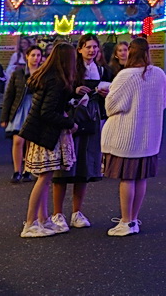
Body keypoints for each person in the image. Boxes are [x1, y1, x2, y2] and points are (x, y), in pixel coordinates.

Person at [101, 35, 166, 236]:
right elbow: (163, 102)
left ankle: (125, 221)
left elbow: (112, 106)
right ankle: (133, 219)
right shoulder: (159, 74)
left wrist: (109, 92)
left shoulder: (126, 75)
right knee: (141, 179)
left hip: (128, 136)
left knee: (127, 179)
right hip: (150, 136)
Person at [19, 43, 78, 237]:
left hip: (38, 133)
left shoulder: (46, 76)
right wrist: (70, 123)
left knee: (44, 177)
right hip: (46, 134)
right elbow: (47, 112)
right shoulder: (57, 81)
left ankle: (42, 220)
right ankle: (30, 223)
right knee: (44, 178)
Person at [52, 33, 109, 228]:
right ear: (79, 49)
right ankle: (57, 213)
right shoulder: (71, 69)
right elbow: (60, 91)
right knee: (64, 166)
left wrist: (103, 93)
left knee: (84, 165)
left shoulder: (101, 69)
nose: (91, 50)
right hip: (71, 117)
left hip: (91, 116)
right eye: (88, 47)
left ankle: (77, 212)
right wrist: (74, 91)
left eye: (94, 47)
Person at [3, 45, 45, 182]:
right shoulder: (18, 73)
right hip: (20, 108)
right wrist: (4, 116)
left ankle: (27, 169)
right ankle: (16, 171)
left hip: (35, 108)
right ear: (27, 56)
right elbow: (9, 95)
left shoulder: (42, 73)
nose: (35, 58)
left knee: (30, 141)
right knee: (18, 140)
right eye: (33, 55)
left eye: (38, 55)